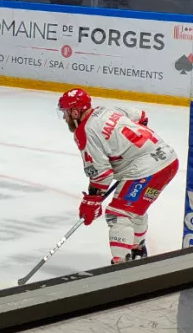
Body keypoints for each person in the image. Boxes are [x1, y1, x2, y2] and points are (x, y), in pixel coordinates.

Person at [58, 88, 179, 264]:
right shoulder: (107, 110)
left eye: (66, 113)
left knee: (118, 213)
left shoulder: (85, 132)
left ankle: (120, 265)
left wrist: (91, 200)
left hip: (146, 170)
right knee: (133, 209)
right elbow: (141, 116)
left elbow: (101, 174)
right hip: (168, 160)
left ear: (76, 112)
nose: (65, 117)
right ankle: (137, 250)